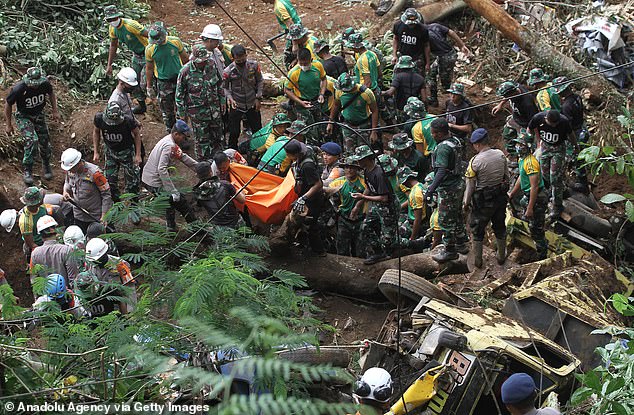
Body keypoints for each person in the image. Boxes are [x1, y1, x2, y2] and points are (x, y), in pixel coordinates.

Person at [5, 67, 60, 184]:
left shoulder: (45, 85)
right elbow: (8, 104)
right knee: (32, 140)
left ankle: (46, 164)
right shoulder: (18, 89)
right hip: (24, 116)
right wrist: (9, 124)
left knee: (44, 140)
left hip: (38, 113)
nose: (34, 86)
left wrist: (55, 110)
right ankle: (28, 169)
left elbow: (51, 94)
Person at [462, 128, 509, 267]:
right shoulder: (500, 155)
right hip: (500, 198)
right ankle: (501, 256)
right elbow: (506, 176)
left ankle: (478, 261)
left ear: (477, 144)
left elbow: (470, 186)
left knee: (477, 230)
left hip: (483, 202)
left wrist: (466, 203)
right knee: (500, 226)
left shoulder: (475, 162)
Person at [142, 120, 198, 231]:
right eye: (184, 137)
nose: (185, 140)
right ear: (176, 134)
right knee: (179, 201)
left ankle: (171, 227)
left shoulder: (170, 141)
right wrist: (172, 190)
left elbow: (183, 157)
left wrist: (200, 167)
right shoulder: (169, 145)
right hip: (152, 182)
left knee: (170, 203)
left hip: (149, 178)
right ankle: (196, 228)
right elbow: (161, 169)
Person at [426, 118, 468, 263]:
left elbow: (442, 170)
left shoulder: (443, 148)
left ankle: (450, 250)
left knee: (445, 219)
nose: (432, 135)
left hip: (449, 187)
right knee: (456, 214)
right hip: (458, 182)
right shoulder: (455, 140)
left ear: (438, 133)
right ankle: (461, 242)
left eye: (433, 133)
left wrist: (431, 189)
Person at [350, 145, 399, 265]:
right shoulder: (367, 171)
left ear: (367, 158)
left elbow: (384, 198)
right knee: (366, 227)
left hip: (388, 206)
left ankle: (392, 256)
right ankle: (377, 252)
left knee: (388, 238)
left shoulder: (379, 173)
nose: (358, 162)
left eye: (359, 159)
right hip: (377, 204)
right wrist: (358, 204)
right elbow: (369, 187)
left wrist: (364, 198)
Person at [176, 43, 224, 160]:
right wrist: (182, 114)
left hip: (214, 110)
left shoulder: (212, 65)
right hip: (197, 113)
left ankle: (219, 161)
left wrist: (222, 100)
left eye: (204, 60)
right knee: (202, 140)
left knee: (218, 137)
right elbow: (179, 95)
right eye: (200, 61)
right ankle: (204, 165)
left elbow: (219, 84)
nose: (203, 62)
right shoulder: (185, 72)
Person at [528, 109, 576, 220]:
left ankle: (557, 204)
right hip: (545, 147)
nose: (554, 125)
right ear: (546, 119)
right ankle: (555, 191)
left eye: (556, 124)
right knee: (545, 174)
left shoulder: (564, 121)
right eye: (552, 124)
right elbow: (530, 129)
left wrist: (575, 146)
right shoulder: (538, 118)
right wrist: (536, 141)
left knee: (555, 177)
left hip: (558, 149)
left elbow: (571, 134)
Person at [508, 137, 549, 260]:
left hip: (538, 197)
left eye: (522, 145)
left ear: (528, 147)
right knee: (521, 203)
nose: (518, 147)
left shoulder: (530, 163)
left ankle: (542, 255)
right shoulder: (523, 160)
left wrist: (530, 208)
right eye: (518, 144)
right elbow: (521, 177)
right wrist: (512, 193)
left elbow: (534, 187)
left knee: (536, 229)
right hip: (528, 195)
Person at [93, 102, 142, 202]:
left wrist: (138, 154)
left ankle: (133, 205)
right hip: (111, 152)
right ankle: (116, 204)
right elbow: (96, 132)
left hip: (127, 152)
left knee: (132, 182)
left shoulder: (128, 120)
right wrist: (96, 152)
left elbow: (137, 134)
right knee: (109, 181)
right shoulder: (99, 119)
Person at [104, 5, 148, 114]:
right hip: (136, 55)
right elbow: (113, 45)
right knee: (134, 81)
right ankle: (142, 106)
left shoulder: (130, 25)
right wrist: (109, 64)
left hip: (147, 54)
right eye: (110, 20)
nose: (113, 21)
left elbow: (149, 36)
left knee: (145, 82)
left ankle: (158, 103)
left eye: (114, 18)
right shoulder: (112, 29)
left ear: (118, 16)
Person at [145, 22, 189, 131]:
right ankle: (171, 132)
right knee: (167, 111)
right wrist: (149, 86)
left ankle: (182, 131)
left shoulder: (175, 42)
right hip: (164, 82)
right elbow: (149, 68)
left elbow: (185, 59)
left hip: (178, 78)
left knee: (182, 107)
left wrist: (189, 75)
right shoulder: (150, 49)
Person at [287, 140, 326, 256]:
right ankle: (303, 244)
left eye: (288, 155)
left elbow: (318, 184)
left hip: (312, 197)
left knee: (311, 224)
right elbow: (317, 149)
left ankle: (319, 251)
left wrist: (304, 198)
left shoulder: (307, 166)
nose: (286, 156)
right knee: (300, 221)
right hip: (304, 191)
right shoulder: (307, 148)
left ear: (296, 154)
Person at [61, 148, 114, 233]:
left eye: (71, 168)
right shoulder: (70, 171)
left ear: (78, 164)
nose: (69, 170)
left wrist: (104, 215)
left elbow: (106, 195)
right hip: (79, 214)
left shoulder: (95, 173)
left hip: (96, 216)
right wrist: (65, 191)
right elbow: (67, 182)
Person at [223, 44, 264, 149]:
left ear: (246, 55)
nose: (241, 61)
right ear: (233, 58)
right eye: (238, 60)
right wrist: (230, 99)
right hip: (236, 104)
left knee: (257, 129)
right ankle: (232, 151)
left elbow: (260, 80)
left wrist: (258, 98)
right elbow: (225, 88)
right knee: (234, 131)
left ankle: (258, 149)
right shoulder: (228, 71)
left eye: (243, 58)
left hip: (252, 102)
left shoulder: (253, 66)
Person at [327, 73, 379, 152]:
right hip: (348, 125)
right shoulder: (339, 91)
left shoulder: (366, 93)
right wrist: (330, 122)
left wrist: (373, 131)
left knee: (364, 151)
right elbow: (336, 105)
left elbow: (374, 110)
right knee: (349, 151)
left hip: (363, 125)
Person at [553, 76, 588, 191]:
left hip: (576, 133)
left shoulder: (566, 106)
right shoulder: (577, 97)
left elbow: (568, 127)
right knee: (580, 155)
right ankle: (580, 178)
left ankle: (583, 183)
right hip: (583, 128)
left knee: (577, 157)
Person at [284, 47, 327, 142]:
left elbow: (324, 79)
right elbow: (287, 90)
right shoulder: (294, 72)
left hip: (316, 99)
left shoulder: (318, 65)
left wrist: (322, 94)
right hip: (301, 103)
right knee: (304, 128)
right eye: (301, 63)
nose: (303, 66)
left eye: (306, 64)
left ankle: (318, 141)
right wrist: (300, 102)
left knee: (318, 124)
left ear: (311, 60)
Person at [84, 237, 136, 314]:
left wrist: (131, 312)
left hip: (120, 303)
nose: (95, 262)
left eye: (97, 260)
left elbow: (130, 289)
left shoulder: (120, 265)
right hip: (102, 305)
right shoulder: (90, 266)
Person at [327, 156, 366, 257]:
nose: (349, 170)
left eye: (352, 167)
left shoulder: (364, 182)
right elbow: (326, 190)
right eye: (347, 167)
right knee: (342, 249)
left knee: (360, 250)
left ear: (357, 169)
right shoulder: (338, 182)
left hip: (360, 219)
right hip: (344, 218)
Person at [427, 22, 470, 107]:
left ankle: (462, 103)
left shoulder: (423, 34)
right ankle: (433, 99)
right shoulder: (435, 26)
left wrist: (427, 63)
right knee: (430, 75)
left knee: (446, 85)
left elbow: (426, 48)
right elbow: (451, 32)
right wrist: (462, 45)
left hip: (446, 57)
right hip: (447, 54)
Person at [491, 80, 539, 155]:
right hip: (516, 118)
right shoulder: (515, 86)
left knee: (524, 145)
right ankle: (513, 154)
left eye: (507, 96)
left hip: (526, 124)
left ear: (513, 94)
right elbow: (507, 95)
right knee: (507, 135)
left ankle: (523, 156)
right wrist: (500, 104)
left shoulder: (527, 103)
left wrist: (538, 140)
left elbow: (534, 121)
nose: (505, 97)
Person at [30, 215, 79, 286]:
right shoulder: (66, 250)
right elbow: (73, 279)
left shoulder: (35, 254)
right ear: (52, 230)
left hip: (46, 295)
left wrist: (38, 297)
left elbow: (34, 280)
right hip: (65, 294)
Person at [194, 162, 245, 227]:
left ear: (197, 175)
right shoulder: (224, 184)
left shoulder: (197, 194)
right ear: (211, 172)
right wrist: (240, 190)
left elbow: (201, 205)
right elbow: (242, 200)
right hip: (235, 221)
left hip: (219, 229)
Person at [347, 33, 385, 123]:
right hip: (376, 89)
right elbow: (380, 73)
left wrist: (359, 95)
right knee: (381, 110)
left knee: (372, 115)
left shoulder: (361, 60)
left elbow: (367, 83)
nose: (351, 49)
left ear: (356, 47)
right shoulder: (372, 54)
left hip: (368, 91)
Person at [17, 187, 61, 255]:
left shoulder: (41, 207)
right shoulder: (25, 221)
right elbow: (31, 244)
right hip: (37, 244)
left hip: (46, 237)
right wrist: (43, 253)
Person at [382, 55, 425, 121]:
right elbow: (424, 99)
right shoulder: (420, 78)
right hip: (415, 109)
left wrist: (380, 93)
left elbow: (390, 93)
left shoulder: (398, 77)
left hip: (401, 108)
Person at [392, 8, 430, 81]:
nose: (411, 25)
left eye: (413, 23)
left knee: (418, 80)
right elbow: (395, 39)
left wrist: (427, 63)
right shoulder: (398, 25)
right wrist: (394, 55)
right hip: (402, 56)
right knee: (397, 79)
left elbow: (426, 45)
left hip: (416, 58)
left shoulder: (423, 29)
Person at [262, 0, 301, 67]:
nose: (264, 2)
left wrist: (295, 43)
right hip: (299, 27)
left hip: (295, 32)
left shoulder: (278, 8)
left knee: (288, 61)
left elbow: (291, 25)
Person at [398, 166, 427, 243]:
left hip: (418, 223)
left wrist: (412, 238)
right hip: (414, 220)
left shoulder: (415, 194)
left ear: (405, 181)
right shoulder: (420, 185)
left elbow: (418, 218)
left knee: (397, 237)